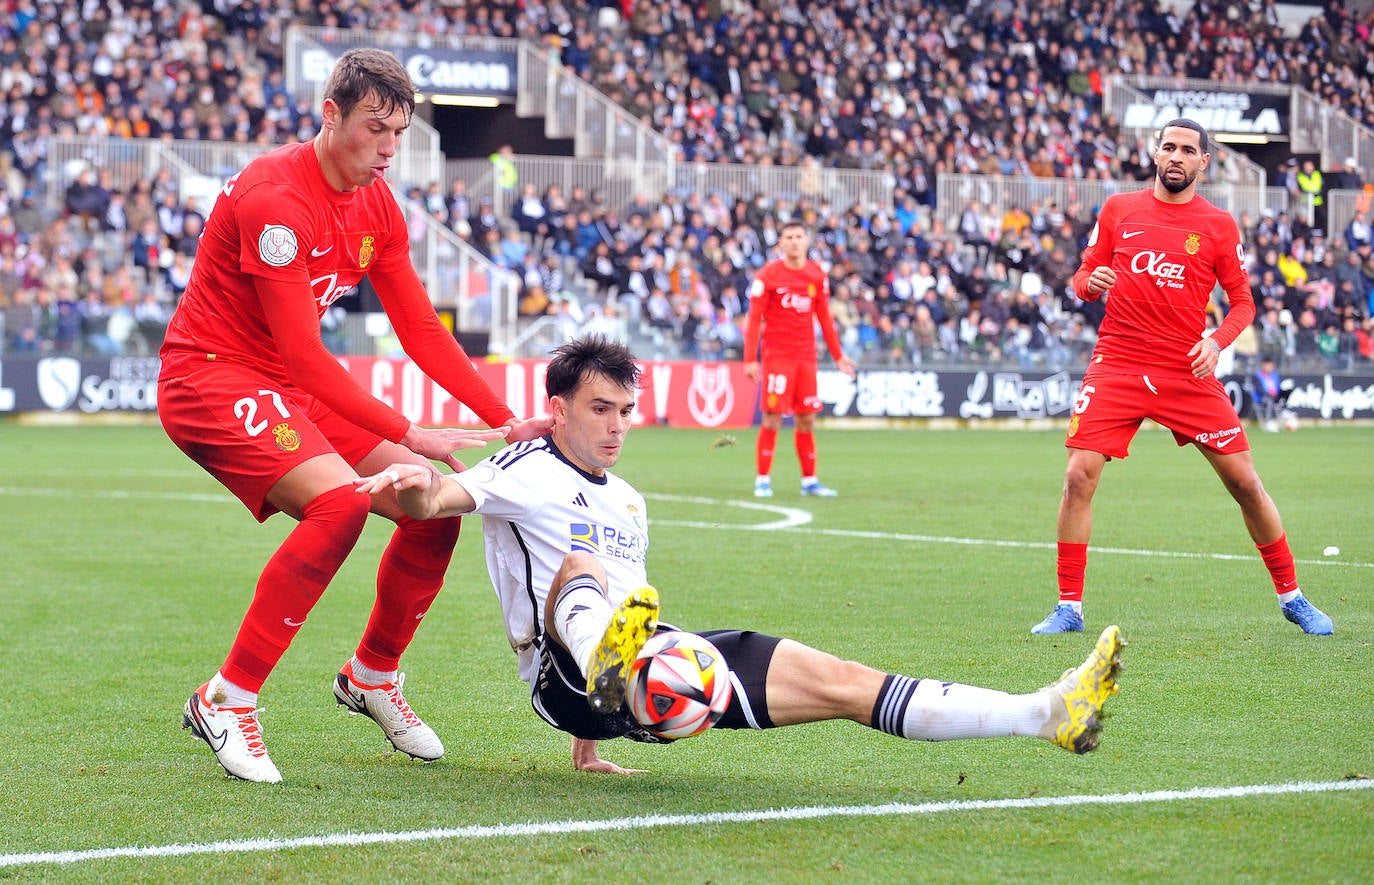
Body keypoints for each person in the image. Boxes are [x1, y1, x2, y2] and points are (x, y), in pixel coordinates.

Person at [357, 336, 1125, 773]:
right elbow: (444, 501)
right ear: (555, 409)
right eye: (599, 409)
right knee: (582, 574)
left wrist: (590, 752)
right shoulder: (522, 469)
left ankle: (1045, 712)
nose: (617, 425)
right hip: (561, 682)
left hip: (652, 671)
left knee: (846, 682)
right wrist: (414, 483)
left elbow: (629, 603)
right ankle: (620, 676)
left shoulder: (628, 499)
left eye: (626, 410)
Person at [157, 48, 548, 784]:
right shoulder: (276, 198)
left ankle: (371, 675)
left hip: (282, 388)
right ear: (330, 115)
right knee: (339, 504)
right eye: (377, 129)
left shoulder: (378, 205)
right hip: (210, 376)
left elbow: (421, 329)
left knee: (428, 506)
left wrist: (508, 417)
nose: (390, 149)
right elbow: (305, 359)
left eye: (399, 132)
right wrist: (409, 430)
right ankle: (225, 697)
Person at [1029, 119, 1334, 637]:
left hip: (1185, 368)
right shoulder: (1119, 210)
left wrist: (1215, 343)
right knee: (1078, 475)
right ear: (1155, 153)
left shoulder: (1217, 225)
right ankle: (1068, 607)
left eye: (1187, 150)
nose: (1176, 155)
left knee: (1245, 484)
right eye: (1168, 146)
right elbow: (1083, 276)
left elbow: (1243, 303)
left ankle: (1292, 597)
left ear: (1203, 162)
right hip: (1119, 361)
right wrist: (1089, 283)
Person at [742, 221, 856, 498]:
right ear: (780, 243)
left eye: (799, 236)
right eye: (789, 237)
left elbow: (825, 318)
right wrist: (750, 358)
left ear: (807, 240)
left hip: (806, 357)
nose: (794, 242)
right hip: (778, 356)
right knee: (772, 417)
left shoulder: (816, 275)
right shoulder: (768, 275)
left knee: (807, 418)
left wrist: (838, 356)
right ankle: (763, 479)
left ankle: (809, 481)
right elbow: (755, 318)